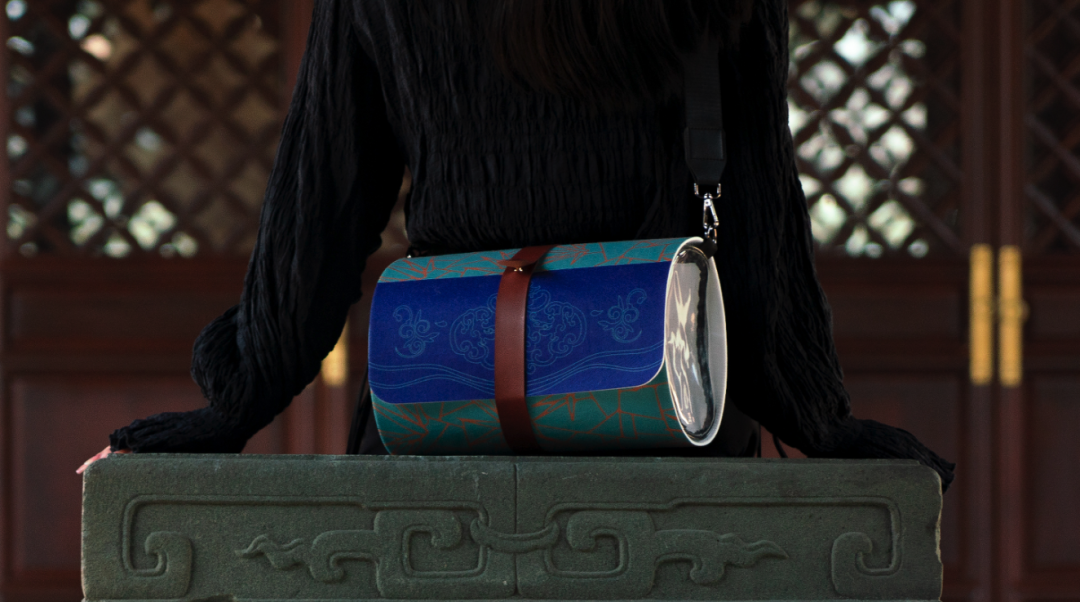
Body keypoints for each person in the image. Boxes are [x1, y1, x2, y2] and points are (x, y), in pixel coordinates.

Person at [82, 0, 954, 490]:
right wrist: (820, 421)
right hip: (663, 433)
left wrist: (229, 409)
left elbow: (321, 213)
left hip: (444, 418)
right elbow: (757, 215)